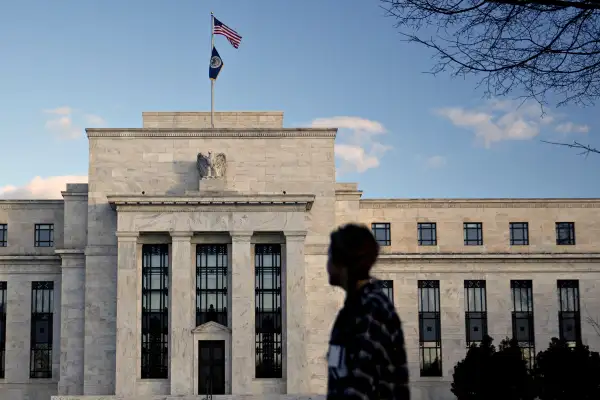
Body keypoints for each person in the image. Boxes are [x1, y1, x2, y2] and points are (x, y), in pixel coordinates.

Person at [326, 223, 410, 400]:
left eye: (330, 255)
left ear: (344, 262)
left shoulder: (371, 309)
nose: (327, 264)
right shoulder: (354, 308)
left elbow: (360, 384)